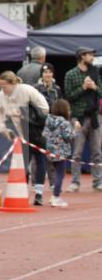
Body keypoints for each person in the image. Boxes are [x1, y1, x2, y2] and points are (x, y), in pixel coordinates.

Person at [0, 71, 50, 205]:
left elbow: (45, 109)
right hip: (20, 133)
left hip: (37, 131)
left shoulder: (27, 90)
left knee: (40, 160)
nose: (2, 89)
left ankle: (39, 194)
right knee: (22, 163)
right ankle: (22, 191)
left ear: (12, 83)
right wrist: (3, 128)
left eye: (4, 86)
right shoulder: (2, 95)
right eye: (0, 86)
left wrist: (25, 114)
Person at [63, 47, 102, 192]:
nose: (92, 57)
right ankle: (75, 182)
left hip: (95, 117)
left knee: (97, 151)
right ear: (81, 56)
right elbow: (68, 96)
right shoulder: (71, 74)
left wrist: (95, 87)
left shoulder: (95, 72)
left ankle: (98, 182)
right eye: (90, 54)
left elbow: (101, 91)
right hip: (78, 117)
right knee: (77, 152)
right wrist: (83, 87)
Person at [43, 99, 77, 208]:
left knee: (53, 173)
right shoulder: (64, 122)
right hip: (60, 152)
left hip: (49, 151)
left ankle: (54, 195)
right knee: (60, 174)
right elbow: (68, 136)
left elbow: (44, 134)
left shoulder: (48, 120)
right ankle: (55, 197)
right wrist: (76, 130)